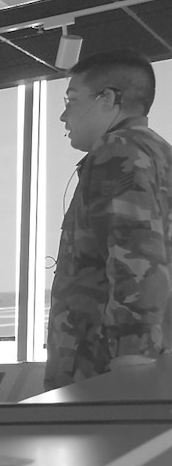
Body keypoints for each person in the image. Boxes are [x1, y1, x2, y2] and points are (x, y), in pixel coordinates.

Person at [45, 49, 172, 390]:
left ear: (108, 99)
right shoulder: (160, 153)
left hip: (101, 367)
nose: (63, 115)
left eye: (72, 99)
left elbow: (137, 258)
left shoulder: (117, 152)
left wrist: (132, 359)